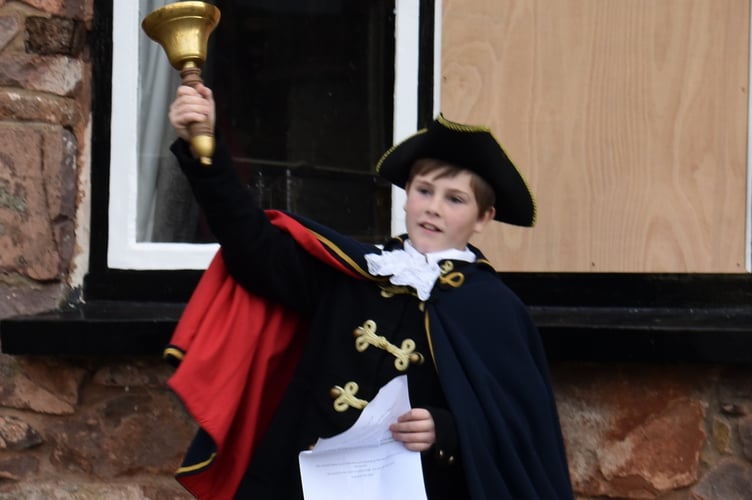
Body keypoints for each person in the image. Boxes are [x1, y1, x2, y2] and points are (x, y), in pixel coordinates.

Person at [164, 83, 574, 500]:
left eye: (455, 199)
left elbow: (517, 429)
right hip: (298, 483)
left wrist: (448, 428)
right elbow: (250, 243)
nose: (433, 207)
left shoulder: (494, 310)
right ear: (406, 196)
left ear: (483, 217)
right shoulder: (353, 270)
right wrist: (205, 151)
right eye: (424, 190)